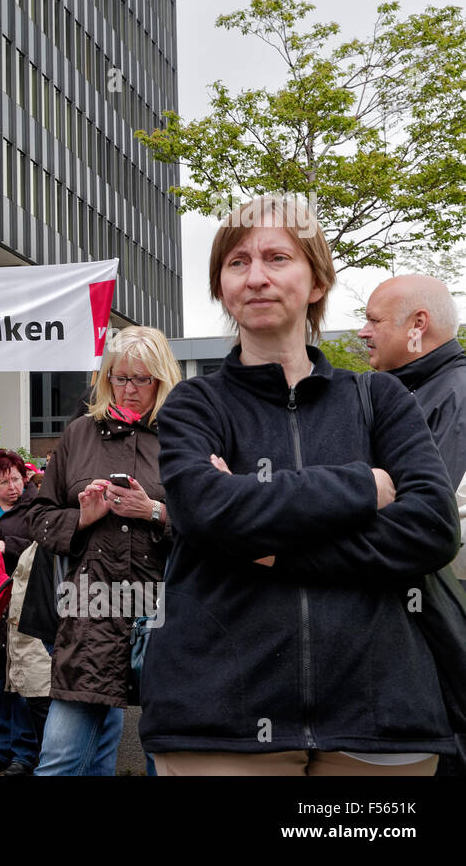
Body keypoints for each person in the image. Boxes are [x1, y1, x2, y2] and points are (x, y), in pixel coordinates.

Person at [142, 195, 458, 776]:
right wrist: (363, 486)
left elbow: (432, 529)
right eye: (237, 263)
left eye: (277, 258)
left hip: (379, 716)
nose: (256, 277)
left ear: (317, 281)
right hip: (220, 719)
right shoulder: (195, 403)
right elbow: (206, 511)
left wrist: (272, 549)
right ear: (220, 287)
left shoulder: (380, 399)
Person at [29, 327, 180, 776]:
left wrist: (154, 511)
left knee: (168, 759)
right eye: (120, 378)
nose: (130, 389)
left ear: (162, 380)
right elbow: (38, 517)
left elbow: (213, 521)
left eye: (142, 379)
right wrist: (83, 517)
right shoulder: (79, 433)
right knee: (58, 760)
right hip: (90, 615)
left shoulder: (183, 435)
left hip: (165, 613)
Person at [360, 274, 466, 777]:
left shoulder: (455, 393)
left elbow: (420, 519)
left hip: (441, 621)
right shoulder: (414, 390)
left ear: (418, 325)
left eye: (373, 320)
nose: (362, 332)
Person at [0, 449, 52, 775]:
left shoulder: (37, 505)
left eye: (16, 479)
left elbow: (42, 541)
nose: (12, 487)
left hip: (25, 606)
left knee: (23, 686)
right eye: (3, 482)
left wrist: (8, 545)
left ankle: (24, 754)